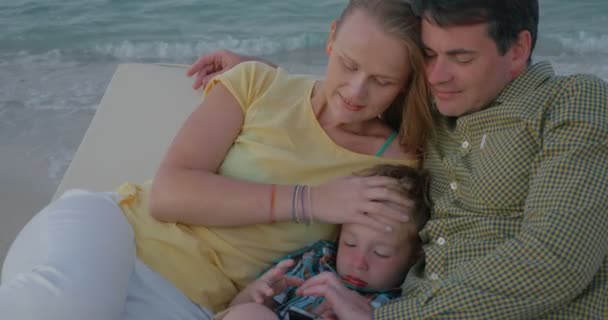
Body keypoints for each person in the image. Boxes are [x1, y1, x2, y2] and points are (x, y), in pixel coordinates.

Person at [0, 1, 434, 320]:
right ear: (331, 36)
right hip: (116, 237)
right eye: (348, 64)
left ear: (405, 84)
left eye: (381, 80)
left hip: (194, 305)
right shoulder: (257, 84)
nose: (356, 92)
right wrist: (312, 200)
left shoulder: (399, 162)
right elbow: (168, 195)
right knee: (63, 308)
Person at [187, 0, 608, 319]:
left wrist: (387, 317)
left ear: (518, 51)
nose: (437, 75)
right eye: (428, 55)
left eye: (461, 58)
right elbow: (355, 89)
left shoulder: (571, 102)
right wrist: (266, 78)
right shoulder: (436, 111)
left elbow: (557, 258)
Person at [218, 164, 431, 320]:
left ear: (415, 255)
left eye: (381, 253)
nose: (359, 262)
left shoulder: (406, 301)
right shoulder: (315, 263)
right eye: (350, 243)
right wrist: (255, 295)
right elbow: (234, 310)